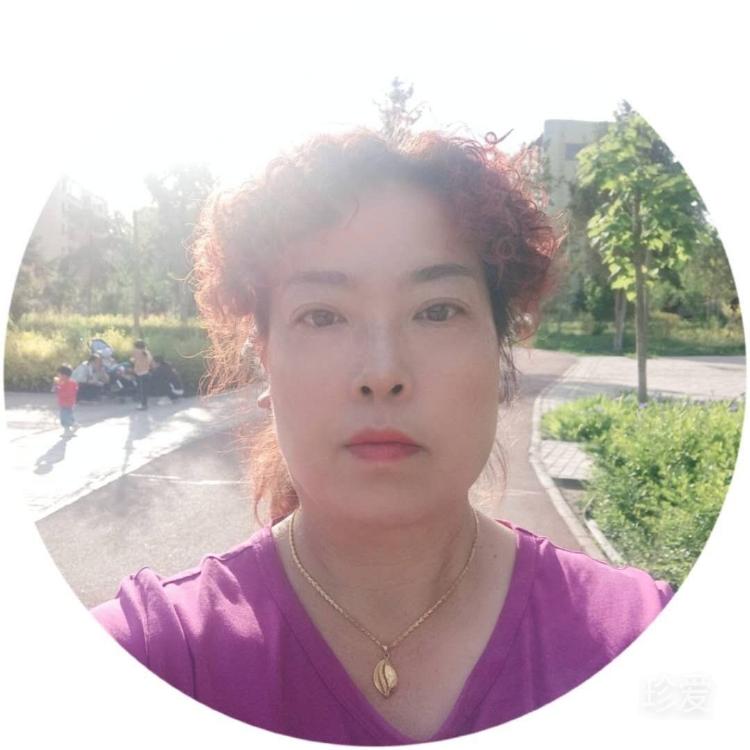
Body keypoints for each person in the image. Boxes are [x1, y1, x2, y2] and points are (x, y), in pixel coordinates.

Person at [91, 130, 673, 744]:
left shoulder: (633, 640)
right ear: (264, 360)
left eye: (437, 310)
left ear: (500, 352)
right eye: (322, 315)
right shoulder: (157, 656)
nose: (382, 373)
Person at [53, 365, 79, 438]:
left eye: (59, 374)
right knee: (69, 415)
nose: (58, 376)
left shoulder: (70, 383)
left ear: (64, 375)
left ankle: (67, 431)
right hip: (64, 403)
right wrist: (57, 386)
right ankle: (74, 424)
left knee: (64, 417)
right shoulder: (62, 382)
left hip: (67, 403)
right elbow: (56, 390)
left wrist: (60, 387)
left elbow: (68, 393)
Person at [131, 339, 153, 410]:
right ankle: (144, 404)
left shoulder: (135, 352)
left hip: (139, 373)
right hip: (146, 372)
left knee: (141, 390)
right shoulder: (147, 352)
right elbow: (150, 360)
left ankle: (143, 405)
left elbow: (133, 360)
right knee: (144, 390)